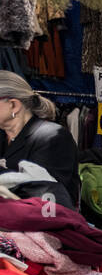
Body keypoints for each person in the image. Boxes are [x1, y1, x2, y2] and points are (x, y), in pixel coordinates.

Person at [0, 72, 80, 208]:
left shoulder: (53, 137)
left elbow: (43, 193)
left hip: (44, 223)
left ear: (14, 105)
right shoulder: (3, 136)